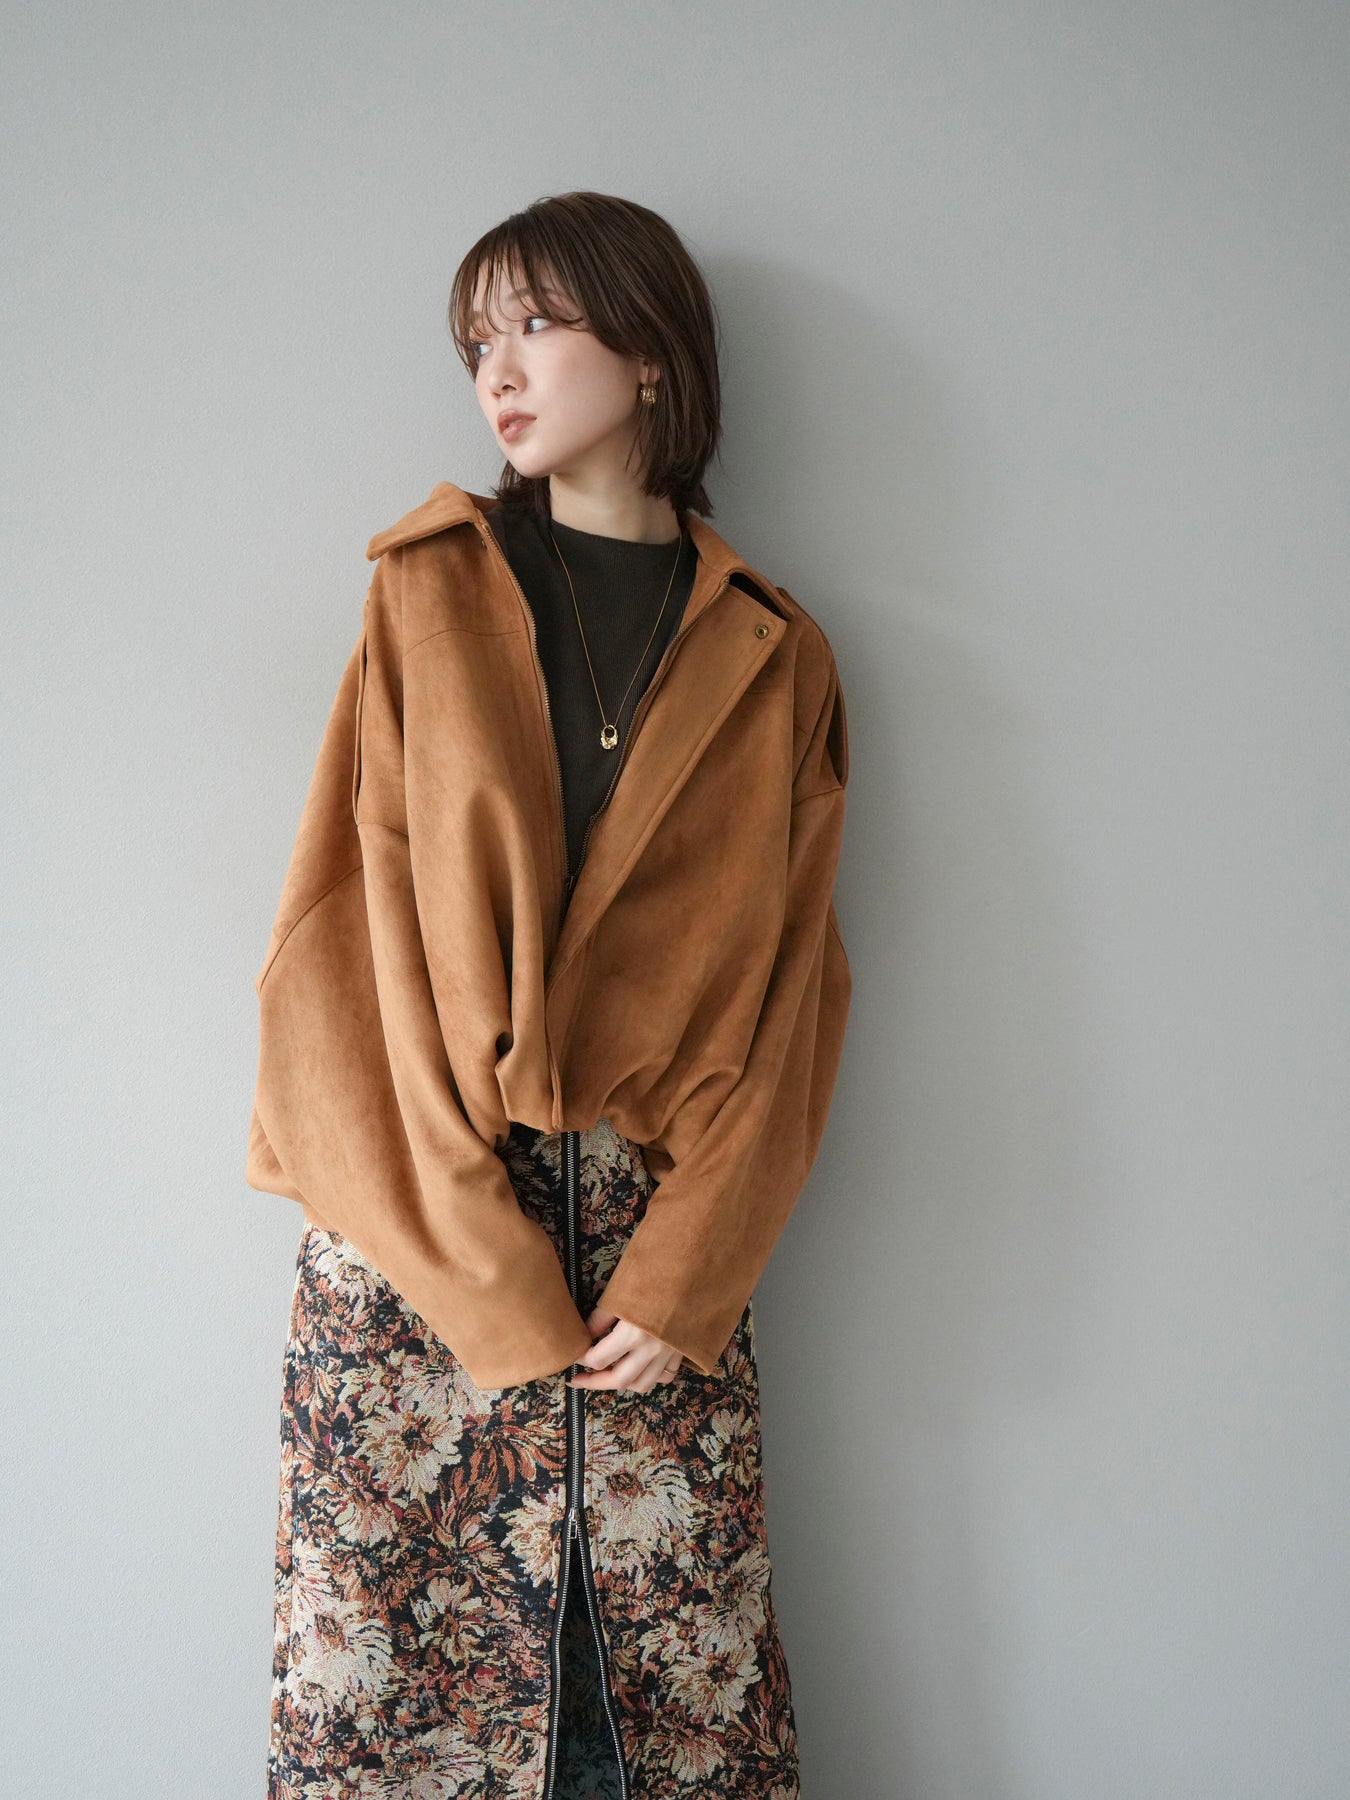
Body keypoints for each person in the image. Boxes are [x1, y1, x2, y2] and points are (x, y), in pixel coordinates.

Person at [249, 189, 852, 1799]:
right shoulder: (426, 594)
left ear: (649, 351)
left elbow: (792, 994)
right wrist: (481, 1266)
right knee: (399, 1709)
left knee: (661, 1715)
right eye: (475, 344)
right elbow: (345, 948)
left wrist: (689, 1267)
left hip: (659, 1270)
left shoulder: (774, 651)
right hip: (421, 1233)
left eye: (534, 324)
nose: (496, 374)